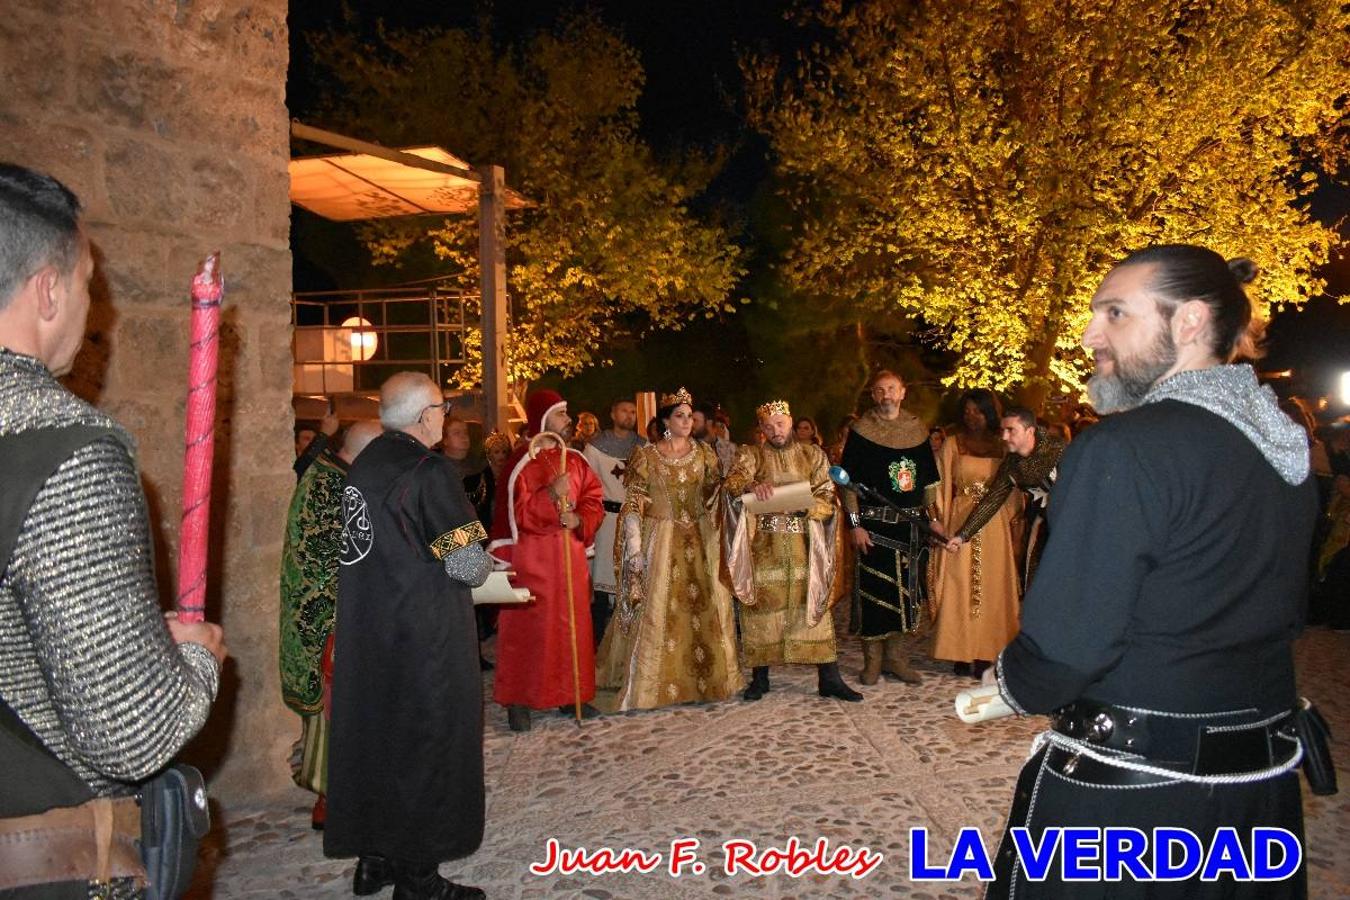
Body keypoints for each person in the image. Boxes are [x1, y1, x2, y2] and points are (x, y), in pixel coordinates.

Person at [987, 245, 1320, 898]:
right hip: (1259, 799)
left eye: (1115, 313)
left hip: (1133, 808)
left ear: (1190, 321)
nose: (1089, 335)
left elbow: (1065, 649)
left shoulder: (1122, 449)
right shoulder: (1284, 445)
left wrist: (1006, 683)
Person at [0, 163, 226, 897]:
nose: (95, 310)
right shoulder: (63, 447)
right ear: (48, 289)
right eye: (89, 282)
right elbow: (130, 730)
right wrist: (191, 662)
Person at [324, 372, 493, 900]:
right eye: (442, 408)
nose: (446, 416)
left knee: (380, 742)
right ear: (425, 417)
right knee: (427, 746)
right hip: (424, 637)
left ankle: (375, 862)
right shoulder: (429, 470)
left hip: (369, 631)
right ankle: (419, 880)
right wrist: (488, 564)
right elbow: (467, 567)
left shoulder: (365, 464)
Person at [596, 389, 741, 709]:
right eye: (680, 416)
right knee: (659, 608)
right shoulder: (646, 456)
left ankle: (705, 682)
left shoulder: (705, 453)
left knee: (703, 607)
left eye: (690, 416)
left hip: (700, 537)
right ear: (665, 421)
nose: (687, 421)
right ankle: (653, 684)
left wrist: (736, 487)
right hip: (661, 538)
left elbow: (714, 495)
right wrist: (634, 545)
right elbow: (634, 500)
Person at [724, 400, 863, 703]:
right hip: (765, 545)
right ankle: (760, 677)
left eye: (781, 423)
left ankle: (829, 677)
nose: (776, 430)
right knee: (761, 607)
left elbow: (827, 493)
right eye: (769, 425)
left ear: (790, 422)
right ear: (761, 429)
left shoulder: (812, 454)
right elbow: (732, 483)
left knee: (812, 604)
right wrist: (750, 486)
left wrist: (808, 505)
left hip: (803, 544)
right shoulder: (751, 454)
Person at [279, 419, 381, 830]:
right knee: (336, 716)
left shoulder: (331, 474)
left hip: (334, 619)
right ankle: (333, 799)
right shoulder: (332, 486)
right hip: (333, 624)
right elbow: (333, 561)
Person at [489, 390, 605, 732]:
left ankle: (571, 694)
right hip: (533, 560)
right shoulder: (521, 462)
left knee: (572, 626)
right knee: (529, 630)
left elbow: (593, 499)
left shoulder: (577, 460)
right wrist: (550, 495)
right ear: (543, 419)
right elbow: (518, 516)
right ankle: (519, 699)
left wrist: (581, 520)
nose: (568, 420)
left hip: (568, 558)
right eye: (561, 413)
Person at [838, 371, 940, 686]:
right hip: (872, 525)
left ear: (903, 392)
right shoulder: (861, 431)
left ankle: (896, 659)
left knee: (906, 595)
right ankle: (872, 661)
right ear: (873, 395)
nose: (886, 395)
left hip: (908, 527)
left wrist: (932, 518)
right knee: (873, 593)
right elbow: (848, 484)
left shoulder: (918, 430)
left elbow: (929, 483)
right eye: (880, 390)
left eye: (892, 389)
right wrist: (855, 525)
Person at [930, 389, 1021, 678]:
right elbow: (939, 484)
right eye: (967, 411)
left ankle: (987, 650)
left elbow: (1012, 488)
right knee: (961, 584)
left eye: (977, 411)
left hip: (994, 524)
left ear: (989, 412)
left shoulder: (1002, 446)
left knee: (992, 586)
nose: (972, 417)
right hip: (960, 520)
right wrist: (940, 521)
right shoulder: (953, 444)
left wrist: (1012, 520)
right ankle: (960, 649)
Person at [943, 406, 1066, 590]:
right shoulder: (1012, 465)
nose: (1004, 437)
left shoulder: (1059, 449)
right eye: (1003, 430)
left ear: (1030, 431)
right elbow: (992, 500)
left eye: (1011, 430)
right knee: (1039, 584)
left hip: (1074, 525)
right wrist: (963, 535)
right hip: (1043, 527)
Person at [583, 397, 645, 645]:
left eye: (632, 412)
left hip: (636, 520)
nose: (629, 416)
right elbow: (587, 487)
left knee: (633, 580)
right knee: (602, 579)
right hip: (606, 521)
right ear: (612, 413)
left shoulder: (643, 446)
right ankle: (597, 642)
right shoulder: (595, 447)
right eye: (624, 411)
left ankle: (630, 642)